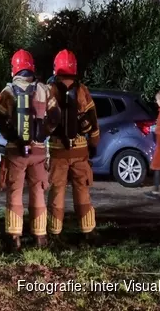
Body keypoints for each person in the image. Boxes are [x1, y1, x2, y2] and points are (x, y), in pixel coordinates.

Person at [0, 49, 60, 252]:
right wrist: (41, 135)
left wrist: (12, 137)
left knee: (14, 192)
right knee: (38, 191)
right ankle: (40, 236)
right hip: (38, 152)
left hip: (15, 152)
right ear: (32, 67)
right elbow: (55, 116)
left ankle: (14, 237)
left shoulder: (7, 92)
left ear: (14, 68)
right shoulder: (43, 89)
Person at [46, 50, 100, 242]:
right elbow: (93, 121)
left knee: (57, 190)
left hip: (58, 150)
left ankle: (54, 232)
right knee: (82, 189)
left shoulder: (49, 89)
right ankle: (88, 230)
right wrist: (93, 144)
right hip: (80, 149)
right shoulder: (83, 90)